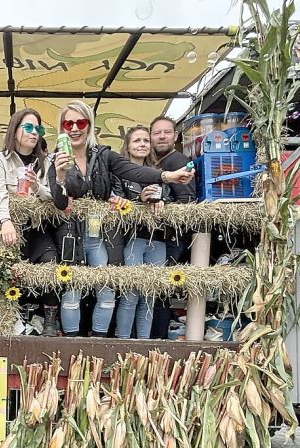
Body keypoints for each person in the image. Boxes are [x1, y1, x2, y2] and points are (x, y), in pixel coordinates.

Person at [50, 102, 193, 337]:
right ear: (62, 128)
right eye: (68, 123)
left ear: (89, 125)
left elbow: (132, 171)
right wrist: (60, 175)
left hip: (100, 235)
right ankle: (72, 343)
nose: (75, 128)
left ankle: (98, 342)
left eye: (80, 122)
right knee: (72, 292)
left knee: (107, 290)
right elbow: (59, 202)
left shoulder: (103, 155)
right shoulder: (56, 159)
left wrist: (166, 176)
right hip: (71, 234)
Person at [0, 108, 57, 335]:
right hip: (11, 227)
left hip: (37, 227)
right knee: (6, 268)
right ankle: (12, 319)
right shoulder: (1, 160)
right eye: (28, 127)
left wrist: (38, 187)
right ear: (15, 131)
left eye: (38, 128)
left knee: (51, 262)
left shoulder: (46, 161)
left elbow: (56, 196)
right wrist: (6, 221)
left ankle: (48, 318)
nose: (34, 132)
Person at [115, 125, 168, 339]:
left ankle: (143, 345)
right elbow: (115, 203)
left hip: (158, 238)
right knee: (130, 294)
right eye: (137, 141)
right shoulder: (118, 173)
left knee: (150, 295)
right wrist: (139, 201)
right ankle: (122, 343)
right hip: (132, 238)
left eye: (146, 140)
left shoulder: (160, 174)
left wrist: (163, 201)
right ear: (127, 146)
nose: (142, 144)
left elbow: (172, 199)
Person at [148, 116, 197, 339]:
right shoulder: (149, 162)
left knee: (160, 290)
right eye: (157, 133)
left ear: (175, 136)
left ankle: (157, 338)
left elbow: (187, 203)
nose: (161, 137)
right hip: (152, 237)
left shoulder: (179, 161)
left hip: (172, 238)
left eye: (166, 132)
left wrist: (163, 207)